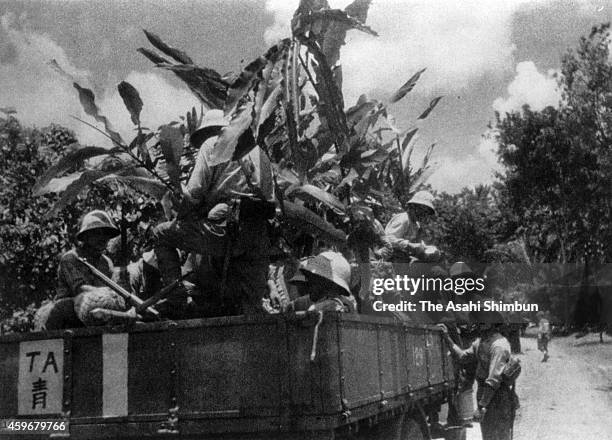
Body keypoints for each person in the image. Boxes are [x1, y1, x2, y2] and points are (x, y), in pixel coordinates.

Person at [152, 109, 275, 317]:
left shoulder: (213, 145)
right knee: (250, 307)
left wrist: (181, 207)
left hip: (227, 229)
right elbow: (269, 198)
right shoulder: (259, 152)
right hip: (258, 236)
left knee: (161, 234)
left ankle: (176, 295)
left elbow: (192, 195)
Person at [440, 310, 518, 440]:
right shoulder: (481, 342)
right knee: (488, 435)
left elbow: (493, 380)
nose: (480, 322)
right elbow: (462, 357)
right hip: (486, 395)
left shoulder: (499, 345)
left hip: (497, 397)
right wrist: (447, 336)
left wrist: (482, 407)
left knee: (498, 436)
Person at [54, 210, 136, 326]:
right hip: (69, 315)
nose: (102, 238)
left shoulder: (106, 262)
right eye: (97, 233)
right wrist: (111, 294)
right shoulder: (71, 258)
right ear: (86, 236)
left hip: (97, 311)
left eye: (105, 233)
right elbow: (80, 290)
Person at [287, 251, 357, 313]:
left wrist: (315, 309)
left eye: (317, 279)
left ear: (332, 286)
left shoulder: (338, 305)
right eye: (311, 277)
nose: (310, 283)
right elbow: (294, 305)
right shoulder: (315, 298)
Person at [384, 190, 439, 262]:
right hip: (388, 260)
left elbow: (415, 246)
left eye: (426, 212)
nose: (424, 215)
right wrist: (408, 245)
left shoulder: (416, 226)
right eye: (422, 211)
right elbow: (387, 239)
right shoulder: (403, 219)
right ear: (413, 207)